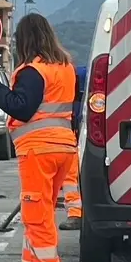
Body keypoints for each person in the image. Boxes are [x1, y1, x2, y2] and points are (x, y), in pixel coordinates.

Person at [0, 13, 78, 262]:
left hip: (39, 149)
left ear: (24, 40)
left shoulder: (32, 71)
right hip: (63, 147)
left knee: (37, 216)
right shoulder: (65, 68)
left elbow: (22, 108)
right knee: (39, 211)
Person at [58, 64, 87, 231]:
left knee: (70, 175)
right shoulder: (74, 73)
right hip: (73, 130)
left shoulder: (74, 74)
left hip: (73, 131)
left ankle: (76, 213)